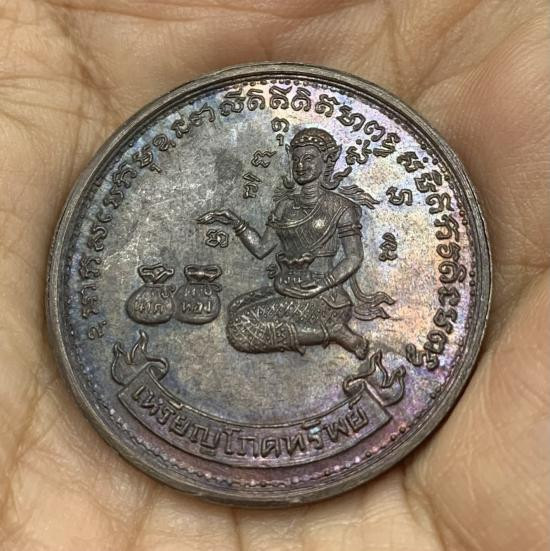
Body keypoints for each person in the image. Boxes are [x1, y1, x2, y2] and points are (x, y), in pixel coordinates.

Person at [199, 128, 371, 358]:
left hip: (324, 298)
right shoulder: (285, 205)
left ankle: (334, 331)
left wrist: (323, 284)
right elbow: (262, 248)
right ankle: (318, 331)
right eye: (296, 159)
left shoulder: (341, 207)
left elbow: (355, 256)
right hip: (286, 289)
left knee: (239, 329)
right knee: (235, 308)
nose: (300, 165)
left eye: (309, 158)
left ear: (326, 161)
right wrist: (235, 221)